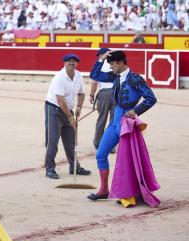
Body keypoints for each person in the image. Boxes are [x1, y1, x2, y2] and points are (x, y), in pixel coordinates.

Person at [87, 50, 157, 201]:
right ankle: (104, 189)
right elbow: (95, 75)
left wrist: (136, 110)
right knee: (100, 154)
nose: (110, 67)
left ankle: (130, 193)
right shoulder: (115, 77)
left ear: (120, 62)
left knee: (127, 160)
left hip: (127, 123)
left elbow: (151, 98)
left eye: (112, 64)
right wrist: (102, 59)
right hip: (115, 121)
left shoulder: (135, 78)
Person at [44, 53, 92, 179]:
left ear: (77, 64)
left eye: (74, 61)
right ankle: (49, 168)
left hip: (68, 109)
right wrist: (71, 117)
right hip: (53, 109)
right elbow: (60, 100)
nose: (72, 63)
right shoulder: (59, 77)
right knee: (53, 140)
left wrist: (79, 107)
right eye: (69, 61)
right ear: (64, 63)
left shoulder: (79, 75)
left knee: (71, 140)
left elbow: (81, 93)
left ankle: (74, 167)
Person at [89, 48, 116, 151]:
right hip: (116, 93)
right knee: (113, 121)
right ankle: (111, 145)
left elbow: (94, 82)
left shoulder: (100, 65)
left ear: (101, 56)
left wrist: (92, 95)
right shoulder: (115, 64)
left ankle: (98, 143)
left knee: (102, 119)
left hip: (104, 93)